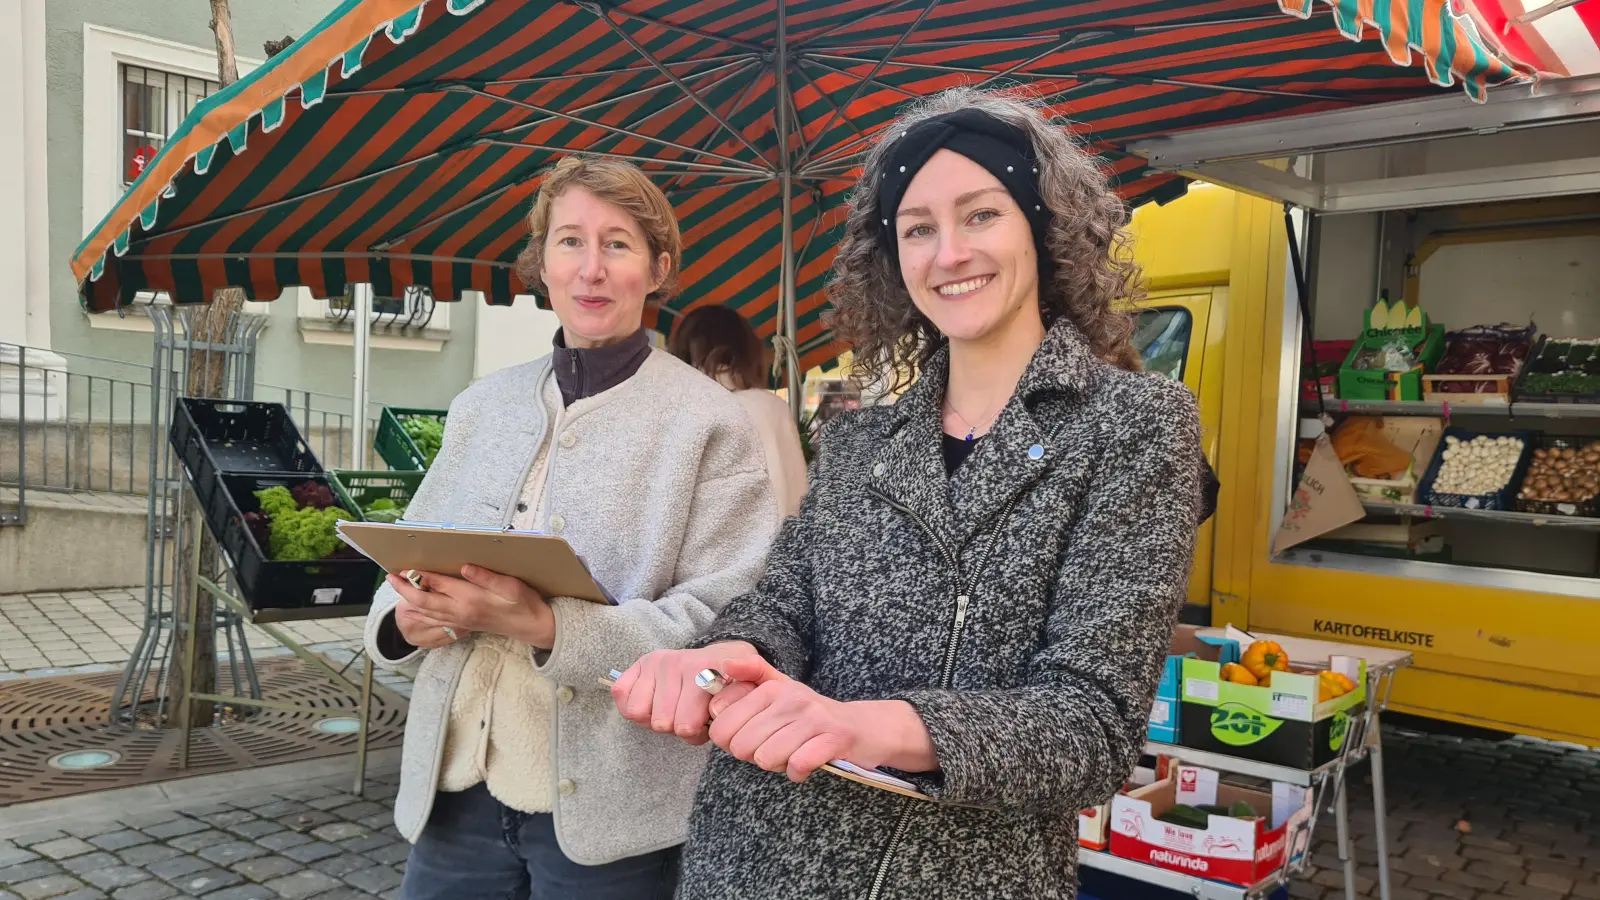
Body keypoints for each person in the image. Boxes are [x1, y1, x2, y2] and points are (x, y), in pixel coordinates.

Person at [610, 87, 1210, 899]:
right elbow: (784, 602)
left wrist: (867, 725)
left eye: (981, 215)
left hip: (959, 874)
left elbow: (1092, 725)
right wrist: (732, 654)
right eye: (918, 229)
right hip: (751, 856)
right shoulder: (861, 436)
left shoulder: (1135, 428)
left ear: (1043, 227)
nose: (948, 253)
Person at [363, 155, 779, 900]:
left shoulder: (709, 423)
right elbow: (409, 553)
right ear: (541, 262)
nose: (591, 269)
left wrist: (552, 626)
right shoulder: (480, 405)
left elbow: (727, 616)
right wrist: (403, 619)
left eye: (617, 244)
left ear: (658, 268)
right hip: (455, 785)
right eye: (570, 241)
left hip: (611, 807)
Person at [668, 304, 808, 517]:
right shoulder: (772, 407)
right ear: (747, 351)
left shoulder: (688, 412)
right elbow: (798, 493)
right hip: (789, 543)